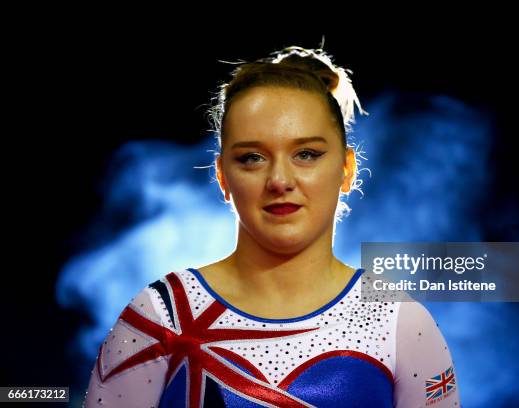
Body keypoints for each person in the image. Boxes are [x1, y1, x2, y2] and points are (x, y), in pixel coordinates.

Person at [83, 45, 461, 407]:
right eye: (252, 158)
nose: (280, 180)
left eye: (307, 154)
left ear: (347, 170)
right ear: (222, 177)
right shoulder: (162, 314)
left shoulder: (399, 321)